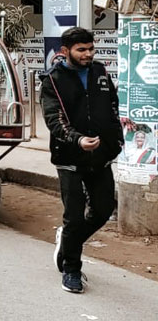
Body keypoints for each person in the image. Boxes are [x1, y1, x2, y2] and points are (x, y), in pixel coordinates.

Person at [40, 27, 121, 294]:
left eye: (91, 49)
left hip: (100, 156)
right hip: (69, 156)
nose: (88, 54)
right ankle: (72, 269)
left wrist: (116, 135)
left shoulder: (100, 72)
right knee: (74, 217)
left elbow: (111, 105)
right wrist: (77, 139)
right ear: (65, 52)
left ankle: (67, 242)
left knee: (103, 209)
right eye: (81, 50)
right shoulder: (53, 80)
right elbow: (54, 119)